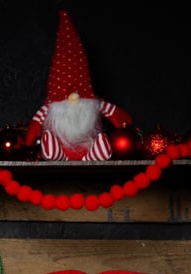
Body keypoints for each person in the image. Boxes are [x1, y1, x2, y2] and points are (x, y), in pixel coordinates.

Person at [25, 10, 133, 161]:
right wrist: (29, 139)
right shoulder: (50, 107)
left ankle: (95, 153)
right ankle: (55, 152)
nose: (74, 97)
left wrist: (125, 124)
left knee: (100, 139)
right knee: (51, 143)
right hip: (61, 152)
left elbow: (117, 115)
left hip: (88, 152)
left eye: (79, 91)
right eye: (67, 92)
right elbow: (35, 125)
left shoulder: (94, 104)